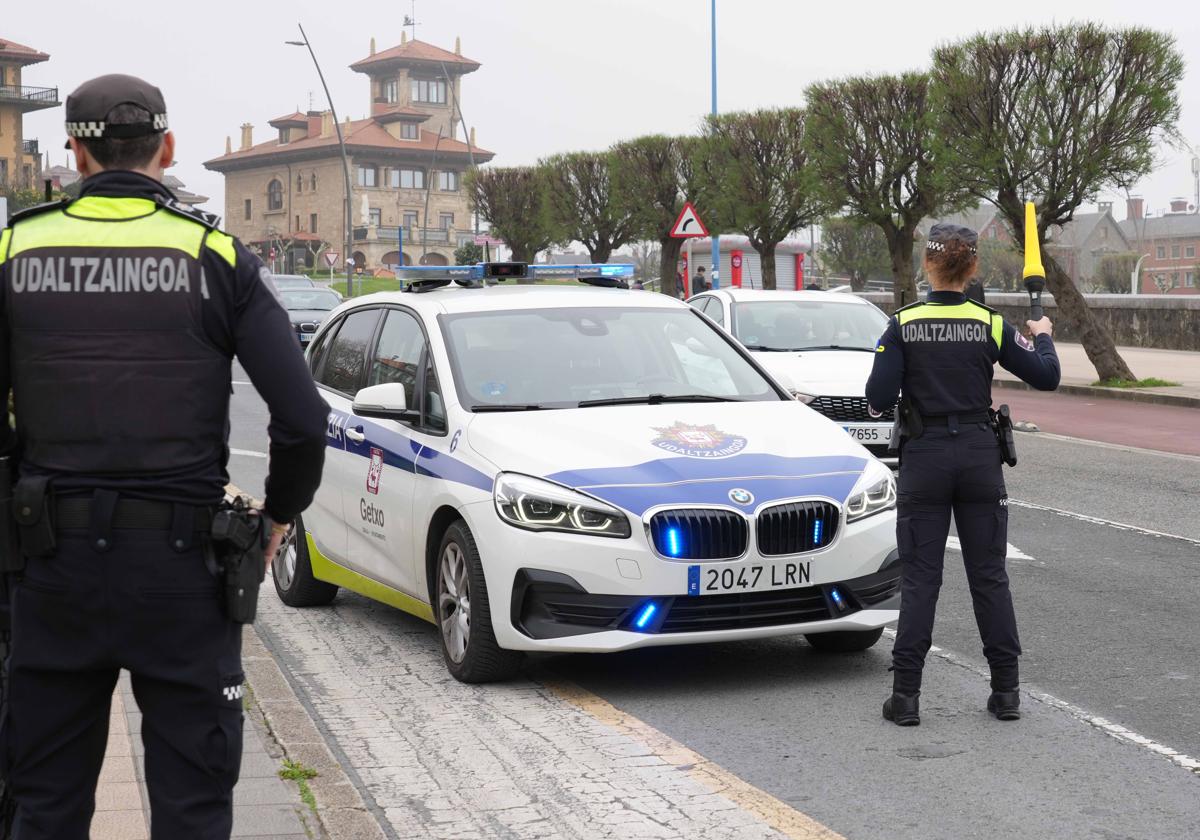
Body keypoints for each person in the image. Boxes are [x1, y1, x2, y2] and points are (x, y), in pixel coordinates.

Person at [0, 75, 328, 837]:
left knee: (43, 805)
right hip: (184, 573)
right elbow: (304, 419)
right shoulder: (215, 254)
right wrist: (278, 516)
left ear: (74, 153)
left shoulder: (15, 247)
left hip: (49, 567)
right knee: (193, 807)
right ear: (167, 148)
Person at [865, 223, 1059, 727]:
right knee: (989, 576)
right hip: (978, 455)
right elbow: (1046, 376)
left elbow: (878, 398)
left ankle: (906, 697)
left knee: (922, 581)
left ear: (927, 265)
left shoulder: (903, 323)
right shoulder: (990, 323)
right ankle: (1006, 692)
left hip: (925, 457)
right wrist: (1043, 339)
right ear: (972, 267)